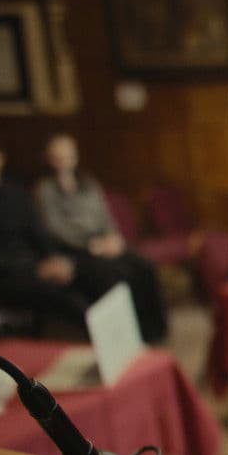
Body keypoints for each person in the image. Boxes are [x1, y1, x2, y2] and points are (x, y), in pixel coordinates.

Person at [0, 135, 102, 333]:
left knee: (93, 275)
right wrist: (34, 269)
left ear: (1, 158)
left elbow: (37, 231)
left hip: (32, 264)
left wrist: (54, 259)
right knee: (69, 300)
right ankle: (93, 340)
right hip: (1, 274)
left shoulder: (15, 193)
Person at [36, 134, 168, 342]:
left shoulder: (88, 182)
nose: (64, 160)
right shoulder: (45, 189)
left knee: (143, 267)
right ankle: (123, 337)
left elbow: (105, 215)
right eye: (58, 156)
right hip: (74, 250)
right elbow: (55, 228)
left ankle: (152, 331)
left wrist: (113, 237)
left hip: (104, 242)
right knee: (111, 275)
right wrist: (90, 245)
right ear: (49, 159)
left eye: (68, 154)